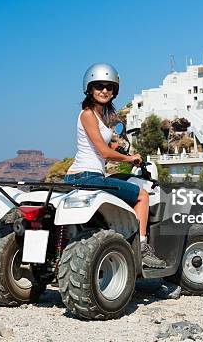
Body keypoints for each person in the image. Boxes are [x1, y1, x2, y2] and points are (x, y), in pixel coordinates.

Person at [64, 63, 167, 268]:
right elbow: (103, 152)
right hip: (87, 176)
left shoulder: (100, 116)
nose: (104, 90)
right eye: (99, 86)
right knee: (141, 195)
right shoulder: (87, 114)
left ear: (114, 91)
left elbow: (102, 146)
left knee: (123, 183)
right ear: (90, 88)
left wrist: (122, 150)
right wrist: (129, 159)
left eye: (109, 87)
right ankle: (142, 247)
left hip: (88, 175)